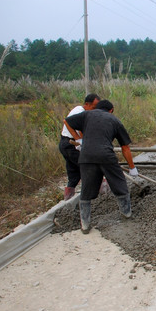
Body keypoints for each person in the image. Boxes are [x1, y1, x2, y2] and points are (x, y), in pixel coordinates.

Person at [63, 99, 139, 234]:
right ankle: (126, 215)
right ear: (111, 110)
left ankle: (85, 225)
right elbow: (125, 147)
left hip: (86, 156)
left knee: (86, 190)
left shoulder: (87, 115)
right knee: (120, 184)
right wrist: (132, 167)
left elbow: (67, 121)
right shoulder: (115, 121)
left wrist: (78, 139)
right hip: (106, 155)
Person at [59, 93, 100, 200]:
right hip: (70, 144)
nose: (94, 110)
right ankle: (96, 196)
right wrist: (78, 139)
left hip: (66, 144)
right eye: (93, 107)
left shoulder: (82, 112)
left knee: (74, 174)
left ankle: (67, 199)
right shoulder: (80, 111)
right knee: (89, 168)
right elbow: (70, 124)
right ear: (87, 104)